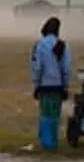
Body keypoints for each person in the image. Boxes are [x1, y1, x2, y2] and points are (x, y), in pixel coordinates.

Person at [30, 16, 72, 150]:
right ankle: (53, 141)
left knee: (45, 114)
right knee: (55, 115)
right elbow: (66, 68)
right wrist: (65, 85)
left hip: (44, 85)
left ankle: (46, 142)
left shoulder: (40, 45)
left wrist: (36, 83)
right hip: (58, 86)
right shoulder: (62, 45)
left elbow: (37, 66)